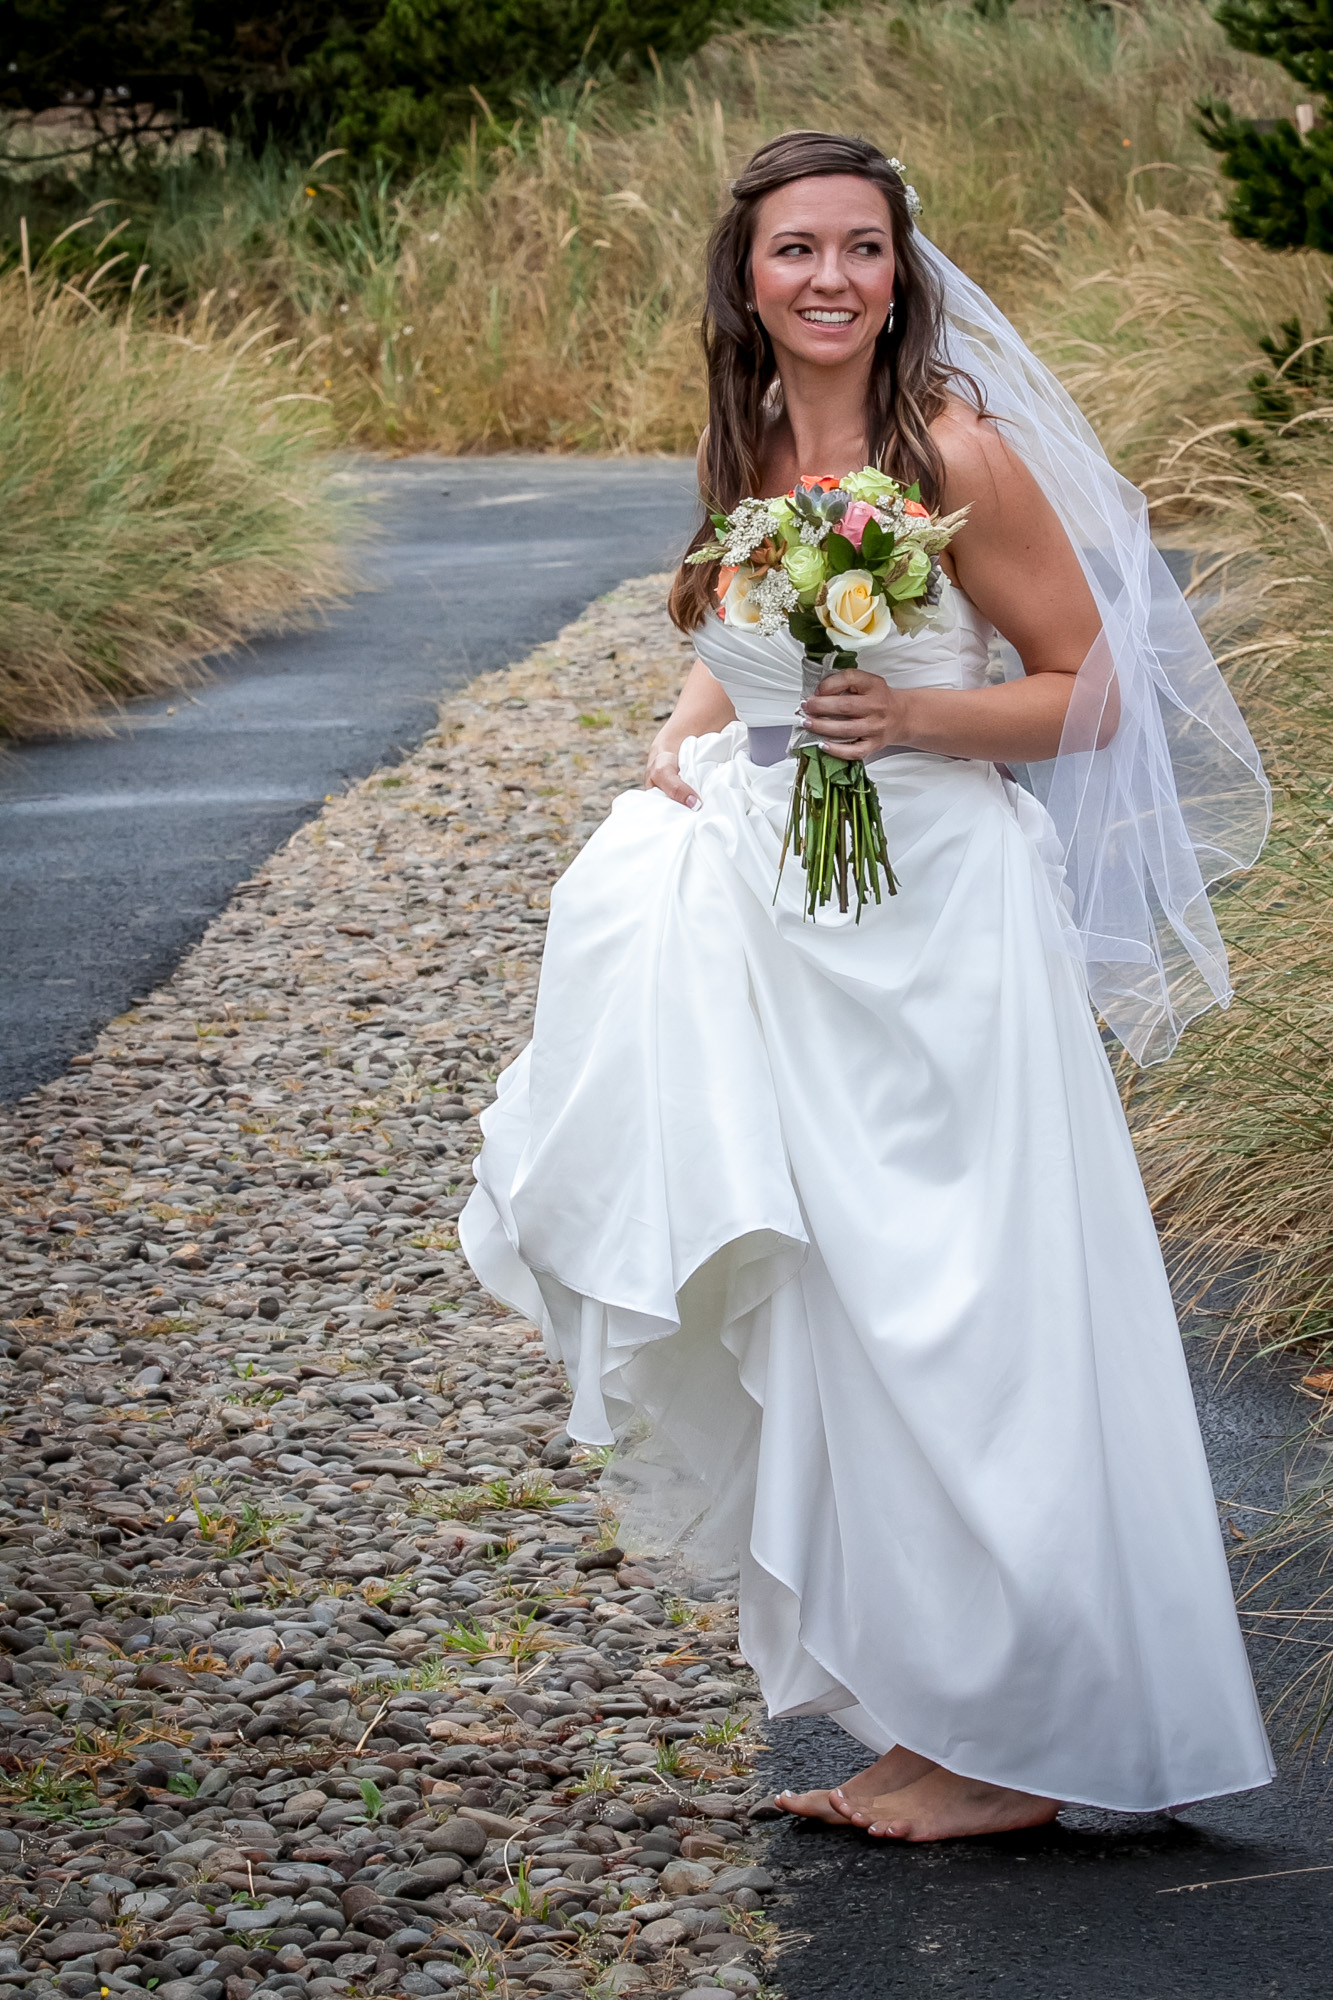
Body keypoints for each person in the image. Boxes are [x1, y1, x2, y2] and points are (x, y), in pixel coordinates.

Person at [460, 130, 1275, 1841]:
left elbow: (1090, 692)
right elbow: (735, 631)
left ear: (898, 270)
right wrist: (681, 744)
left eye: (858, 248)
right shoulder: (754, 439)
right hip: (784, 930)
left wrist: (910, 718)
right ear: (743, 276)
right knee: (840, 1315)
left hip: (936, 929)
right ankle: (933, 1712)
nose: (827, 279)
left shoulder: (955, 442)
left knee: (964, 1313)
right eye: (792, 251)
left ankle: (1028, 1744)